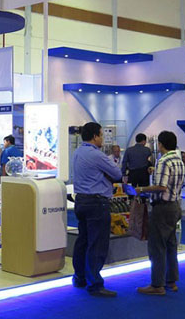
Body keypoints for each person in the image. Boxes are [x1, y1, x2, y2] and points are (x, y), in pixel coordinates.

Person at [71, 122, 122, 297]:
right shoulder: (97, 155)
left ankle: (80, 278)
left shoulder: (77, 152)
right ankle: (95, 284)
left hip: (81, 201)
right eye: (101, 135)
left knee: (83, 241)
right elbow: (117, 174)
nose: (103, 138)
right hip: (97, 203)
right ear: (94, 136)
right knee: (97, 243)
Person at [135, 131, 184, 296]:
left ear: (160, 144)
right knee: (171, 245)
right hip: (175, 206)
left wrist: (142, 189)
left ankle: (157, 284)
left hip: (162, 208)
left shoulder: (163, 161)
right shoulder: (178, 160)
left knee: (156, 246)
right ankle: (171, 281)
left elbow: (162, 187)